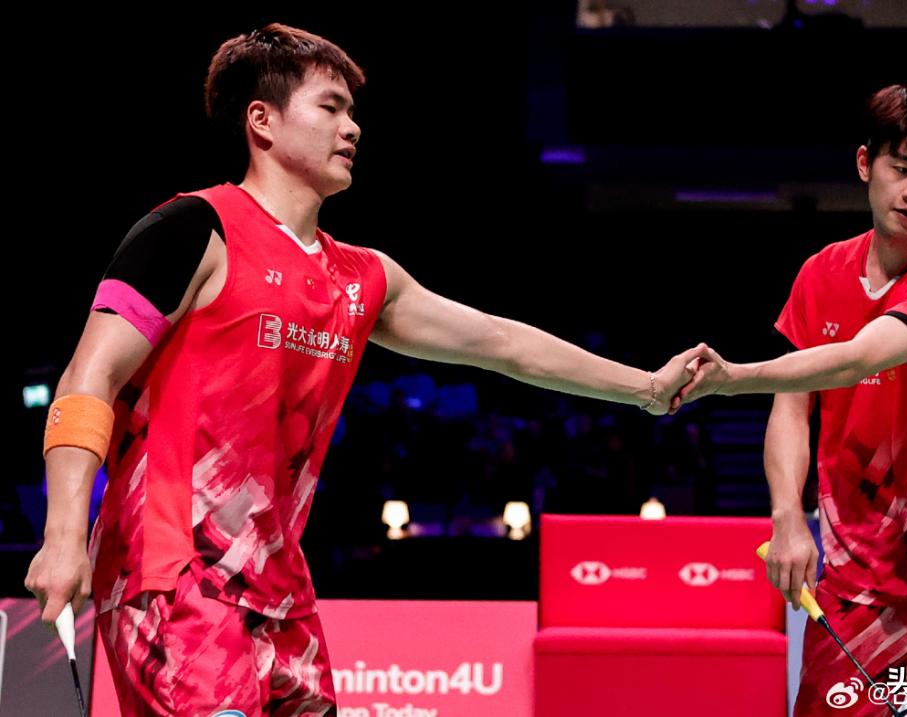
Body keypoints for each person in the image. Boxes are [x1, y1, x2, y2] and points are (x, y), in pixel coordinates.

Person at [24, 23, 707, 716]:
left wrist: (647, 387)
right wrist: (63, 536)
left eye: (352, 111)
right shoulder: (192, 229)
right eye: (330, 107)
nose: (352, 127)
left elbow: (502, 342)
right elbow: (88, 379)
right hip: (171, 573)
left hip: (278, 584)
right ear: (261, 120)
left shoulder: (361, 277)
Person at [677, 82, 907, 716]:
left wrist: (731, 376)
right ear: (864, 163)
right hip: (857, 583)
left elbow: (858, 357)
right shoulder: (821, 274)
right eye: (902, 168)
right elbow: (792, 408)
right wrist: (787, 517)